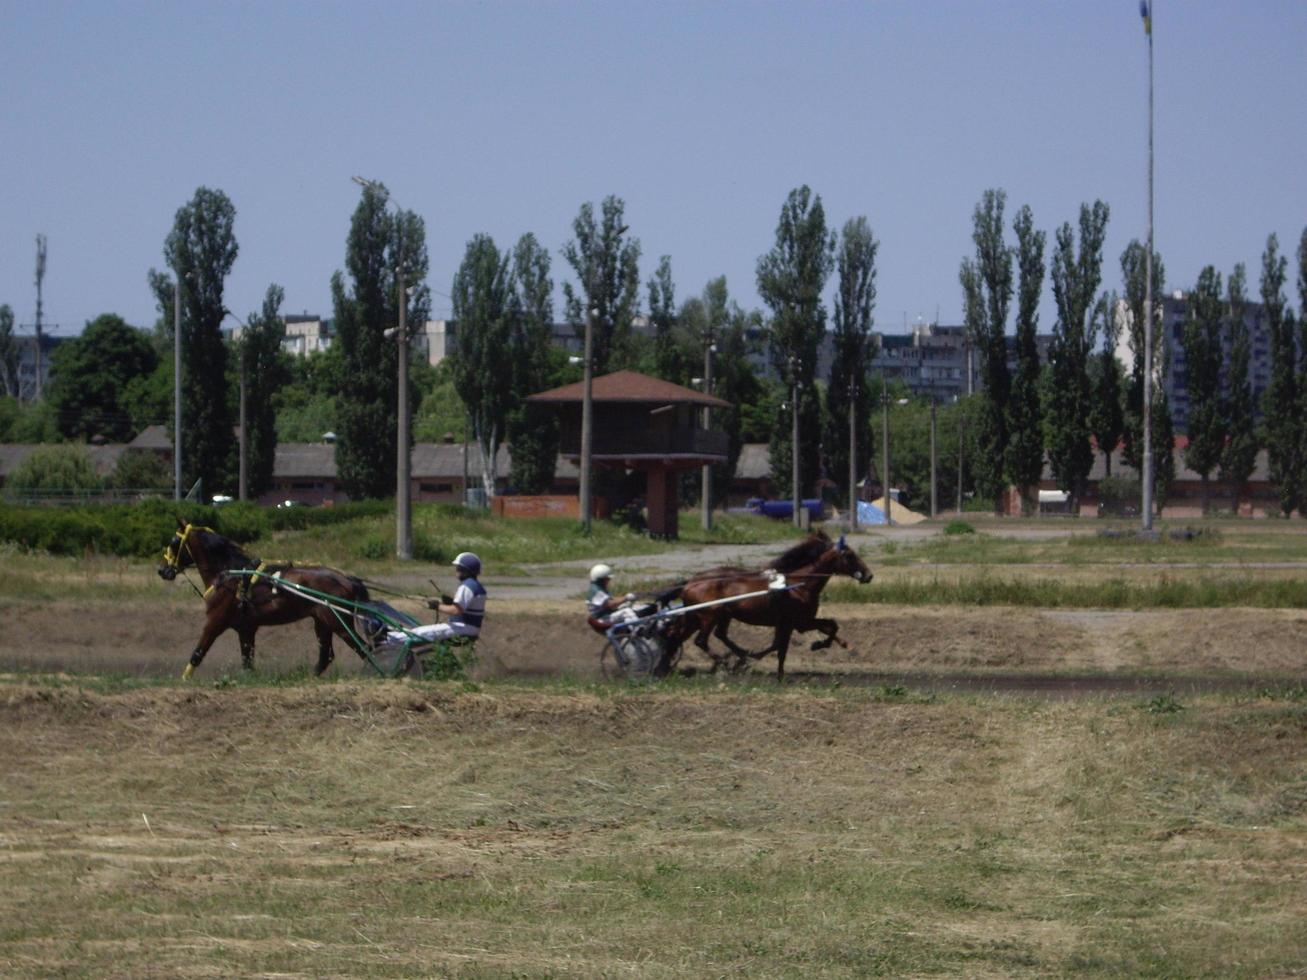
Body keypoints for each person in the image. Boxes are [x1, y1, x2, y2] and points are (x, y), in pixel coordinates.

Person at [385, 552, 486, 645]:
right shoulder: (475, 586)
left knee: (418, 633)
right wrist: (450, 603)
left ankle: (386, 641)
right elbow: (465, 607)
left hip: (463, 627)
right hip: (468, 628)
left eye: (458, 568)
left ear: (465, 570)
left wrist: (437, 606)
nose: (456, 570)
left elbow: (456, 610)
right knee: (420, 631)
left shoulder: (467, 586)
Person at [586, 563, 640, 632]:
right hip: (602, 619)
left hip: (605, 614)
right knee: (626, 611)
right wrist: (625, 598)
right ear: (601, 579)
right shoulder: (596, 591)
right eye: (607, 579)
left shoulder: (598, 588)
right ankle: (639, 630)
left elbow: (611, 602)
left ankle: (629, 631)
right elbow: (610, 605)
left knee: (626, 606)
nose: (609, 581)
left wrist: (625, 602)